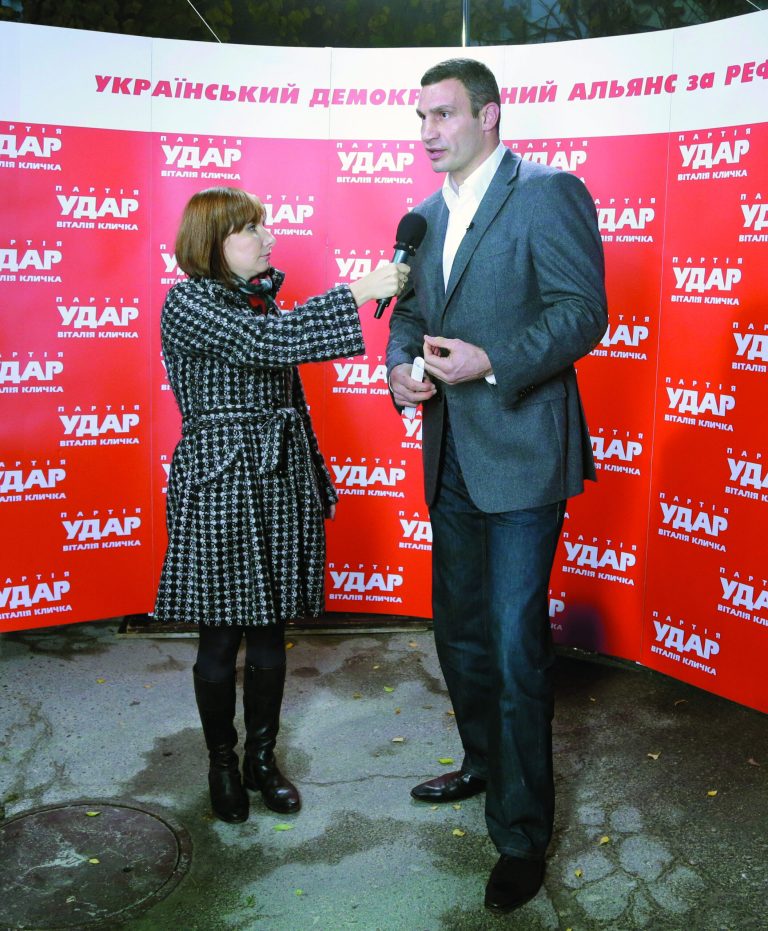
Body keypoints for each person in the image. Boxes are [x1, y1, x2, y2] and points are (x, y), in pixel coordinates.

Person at [386, 59, 607, 912]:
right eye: (420, 117)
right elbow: (407, 315)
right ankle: (484, 763)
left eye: (442, 114)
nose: (428, 131)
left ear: (490, 115)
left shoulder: (548, 192)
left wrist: (493, 361)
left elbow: (584, 309)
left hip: (520, 455)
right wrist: (401, 368)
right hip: (449, 457)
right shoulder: (425, 216)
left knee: (516, 648)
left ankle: (522, 832)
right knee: (463, 635)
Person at [154, 186, 409, 824]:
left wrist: (313, 476)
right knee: (220, 636)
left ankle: (261, 761)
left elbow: (290, 392)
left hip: (277, 474)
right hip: (221, 480)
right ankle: (221, 761)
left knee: (271, 631)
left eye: (266, 225)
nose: (269, 238)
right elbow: (268, 343)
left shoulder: (258, 298)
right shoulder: (188, 301)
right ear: (214, 244)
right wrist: (357, 291)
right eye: (252, 230)